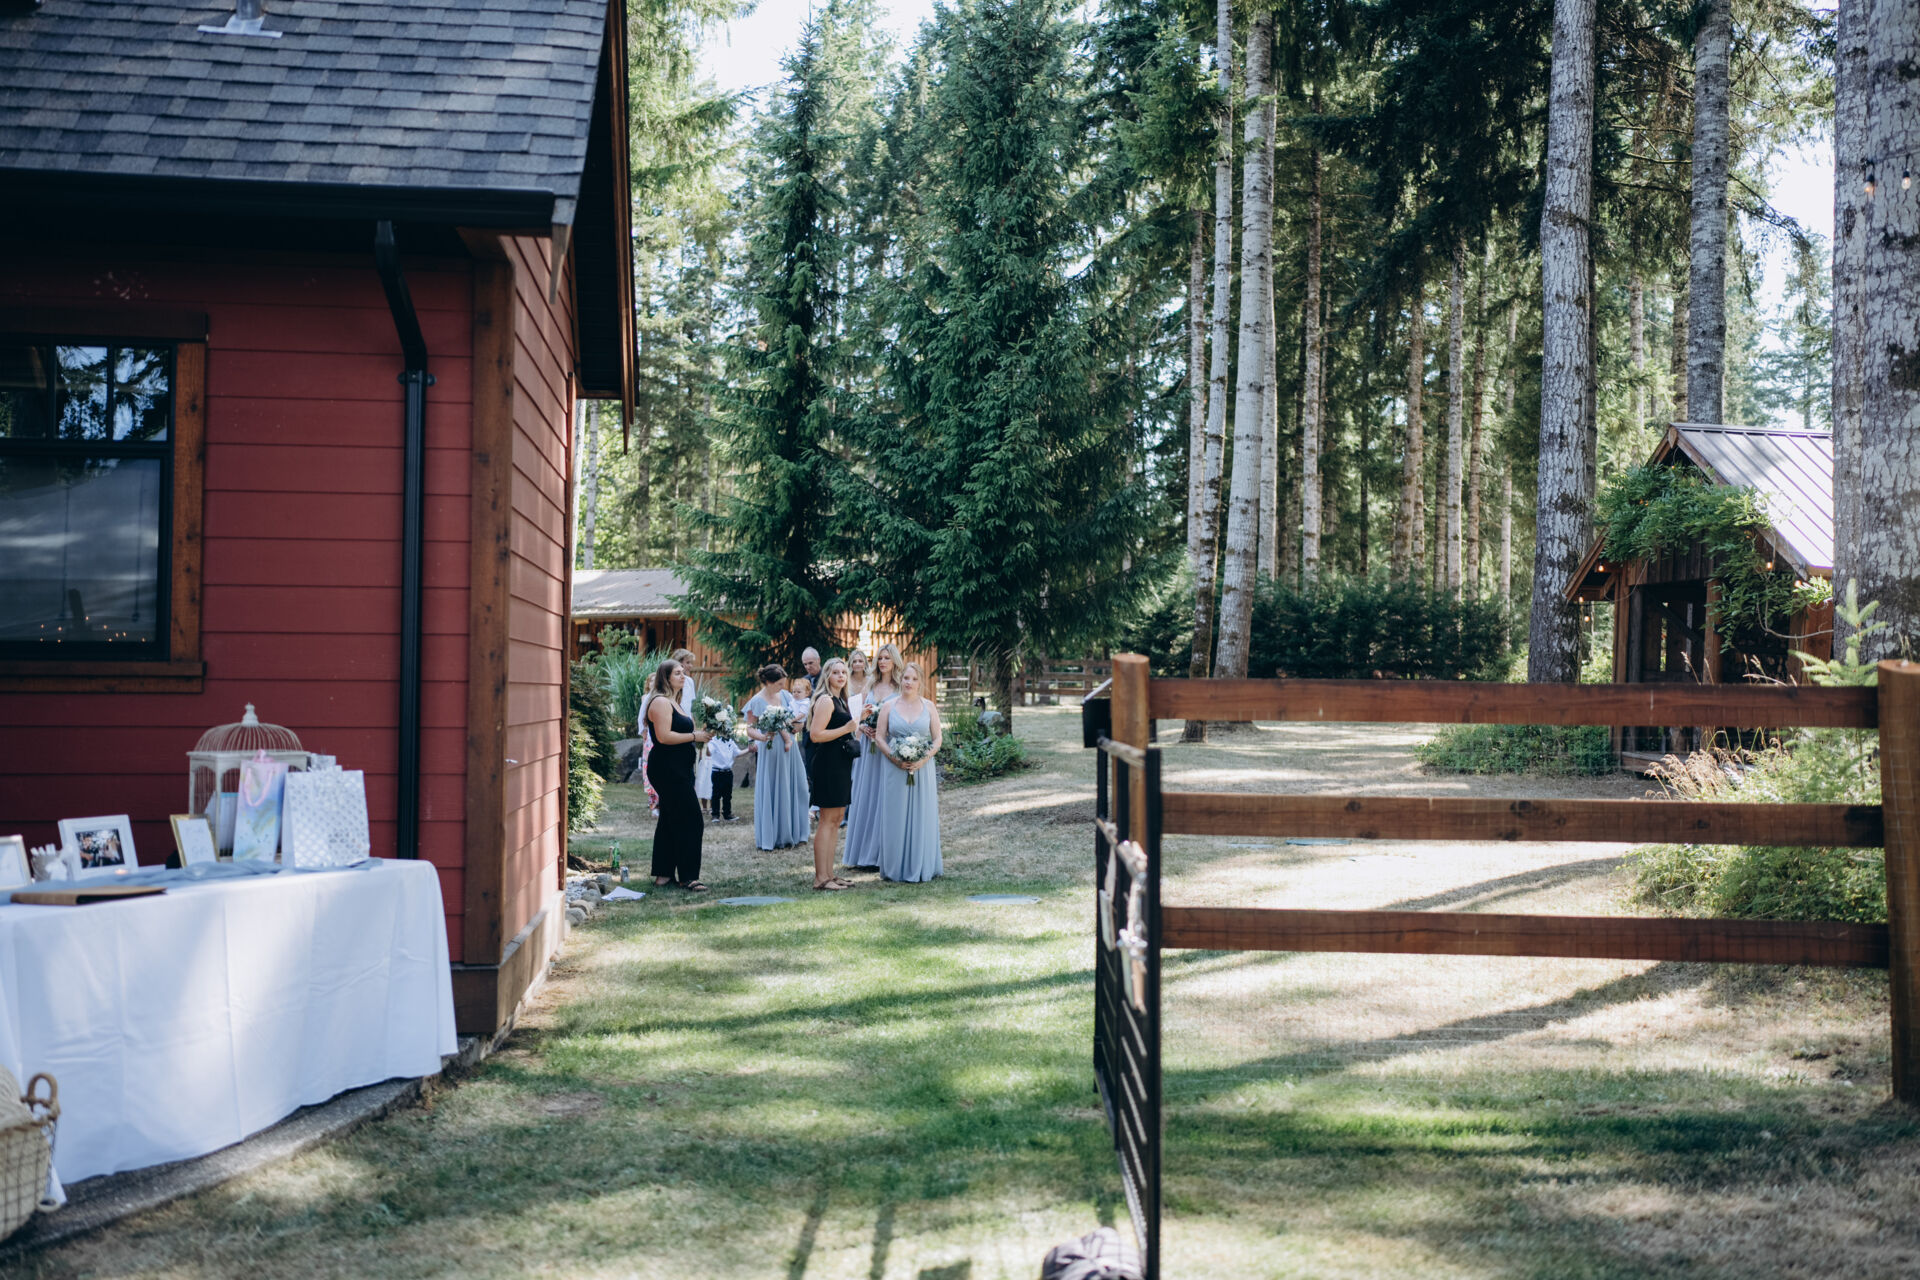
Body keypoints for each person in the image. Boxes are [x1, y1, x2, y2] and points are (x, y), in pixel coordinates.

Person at [643, 659, 712, 891]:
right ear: (666, 677)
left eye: (684, 672)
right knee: (692, 819)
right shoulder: (661, 702)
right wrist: (694, 736)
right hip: (667, 768)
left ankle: (663, 874)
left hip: (680, 767)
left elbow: (682, 731)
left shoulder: (676, 701)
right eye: (677, 673)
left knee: (669, 819)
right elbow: (664, 737)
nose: (683, 676)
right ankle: (688, 876)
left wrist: (702, 734)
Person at [872, 661, 942, 882]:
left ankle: (921, 864)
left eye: (914, 679)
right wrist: (894, 758)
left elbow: (938, 739)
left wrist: (924, 758)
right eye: (906, 678)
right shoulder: (888, 706)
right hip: (894, 767)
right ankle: (895, 868)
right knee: (895, 814)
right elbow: (879, 737)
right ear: (900, 679)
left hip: (922, 768)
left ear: (920, 682)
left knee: (922, 814)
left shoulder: (929, 706)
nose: (909, 682)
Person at [840, 642, 901, 871]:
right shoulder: (870, 685)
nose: (883, 662)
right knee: (866, 794)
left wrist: (886, 731)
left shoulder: (900, 686)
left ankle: (885, 851)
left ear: (894, 661)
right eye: (880, 658)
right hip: (868, 747)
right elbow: (857, 717)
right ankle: (864, 852)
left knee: (886, 795)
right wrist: (863, 726)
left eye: (887, 658)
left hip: (888, 745)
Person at [804, 657, 859, 890]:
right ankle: (820, 878)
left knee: (836, 819)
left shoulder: (841, 700)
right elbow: (816, 735)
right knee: (827, 820)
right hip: (828, 764)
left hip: (841, 763)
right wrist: (846, 728)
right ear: (827, 675)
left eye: (843, 672)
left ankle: (830, 874)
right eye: (836, 672)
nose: (841, 676)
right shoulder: (825, 700)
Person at [745, 664, 811, 850]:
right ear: (768, 682)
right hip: (771, 748)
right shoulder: (756, 701)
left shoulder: (786, 696)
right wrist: (762, 738)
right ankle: (775, 835)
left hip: (790, 748)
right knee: (776, 787)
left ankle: (796, 831)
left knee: (798, 786)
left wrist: (798, 726)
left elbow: (798, 718)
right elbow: (750, 728)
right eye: (780, 684)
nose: (783, 687)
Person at [671, 648, 712, 808]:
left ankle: (688, 797)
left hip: (687, 725)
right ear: (679, 663)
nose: (690, 666)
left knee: (689, 762)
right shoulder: (670, 682)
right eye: (687, 662)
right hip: (675, 724)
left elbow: (689, 709)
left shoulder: (689, 682)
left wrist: (695, 729)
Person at [707, 728, 739, 822]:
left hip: (728, 772)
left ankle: (727, 814)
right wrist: (705, 746)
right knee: (716, 794)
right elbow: (709, 753)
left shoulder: (730, 741)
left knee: (728, 794)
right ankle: (715, 815)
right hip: (717, 772)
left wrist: (749, 749)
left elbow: (737, 753)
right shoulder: (713, 741)